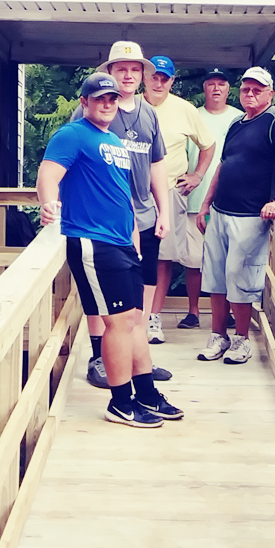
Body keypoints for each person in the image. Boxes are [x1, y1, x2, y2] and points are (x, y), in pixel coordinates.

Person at [36, 72, 183, 428]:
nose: (106, 104)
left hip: (123, 243)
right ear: (84, 102)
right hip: (92, 242)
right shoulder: (72, 134)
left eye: (112, 99)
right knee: (116, 323)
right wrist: (47, 203)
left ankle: (146, 393)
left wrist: (133, 234)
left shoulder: (116, 141)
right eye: (99, 98)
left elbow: (122, 195)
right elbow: (48, 174)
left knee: (135, 322)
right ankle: (120, 402)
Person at [72, 40, 172, 389]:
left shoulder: (149, 115)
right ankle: (101, 356)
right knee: (103, 297)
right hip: (104, 224)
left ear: (143, 75)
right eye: (121, 69)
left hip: (143, 220)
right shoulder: (92, 112)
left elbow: (157, 164)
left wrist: (164, 210)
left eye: (135, 70)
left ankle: (136, 356)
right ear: (109, 72)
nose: (128, 75)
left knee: (140, 293)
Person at [196, 66, 275, 365]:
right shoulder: (237, 124)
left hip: (251, 215)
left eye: (257, 89)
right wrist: (205, 204)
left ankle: (241, 339)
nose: (250, 94)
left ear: (270, 92)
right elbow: (223, 165)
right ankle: (218, 336)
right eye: (246, 89)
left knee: (238, 278)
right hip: (221, 212)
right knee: (215, 278)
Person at [143, 55, 215, 344]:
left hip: (171, 191)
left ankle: (153, 318)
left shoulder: (185, 109)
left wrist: (197, 175)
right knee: (126, 253)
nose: (159, 82)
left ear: (172, 81)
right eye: (154, 77)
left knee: (163, 257)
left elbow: (208, 146)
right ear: (145, 78)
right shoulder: (129, 105)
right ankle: (129, 316)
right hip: (130, 192)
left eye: (165, 78)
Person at [178, 68, 243, 329]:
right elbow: (179, 153)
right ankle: (193, 311)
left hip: (230, 202)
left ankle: (225, 313)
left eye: (222, 84)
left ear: (229, 89)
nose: (216, 88)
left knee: (228, 261)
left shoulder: (240, 118)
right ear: (204, 88)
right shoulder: (193, 115)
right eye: (211, 83)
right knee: (193, 260)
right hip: (194, 199)